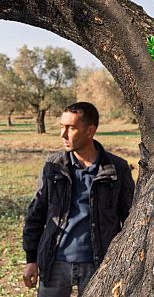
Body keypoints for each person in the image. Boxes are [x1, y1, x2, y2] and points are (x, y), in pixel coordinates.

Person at [22, 102, 134, 297]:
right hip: (54, 262)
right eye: (61, 126)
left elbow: (131, 220)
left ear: (90, 131)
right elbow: (36, 214)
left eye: (71, 128)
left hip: (99, 265)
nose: (63, 134)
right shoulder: (53, 166)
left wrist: (124, 263)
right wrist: (31, 259)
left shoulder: (116, 168)